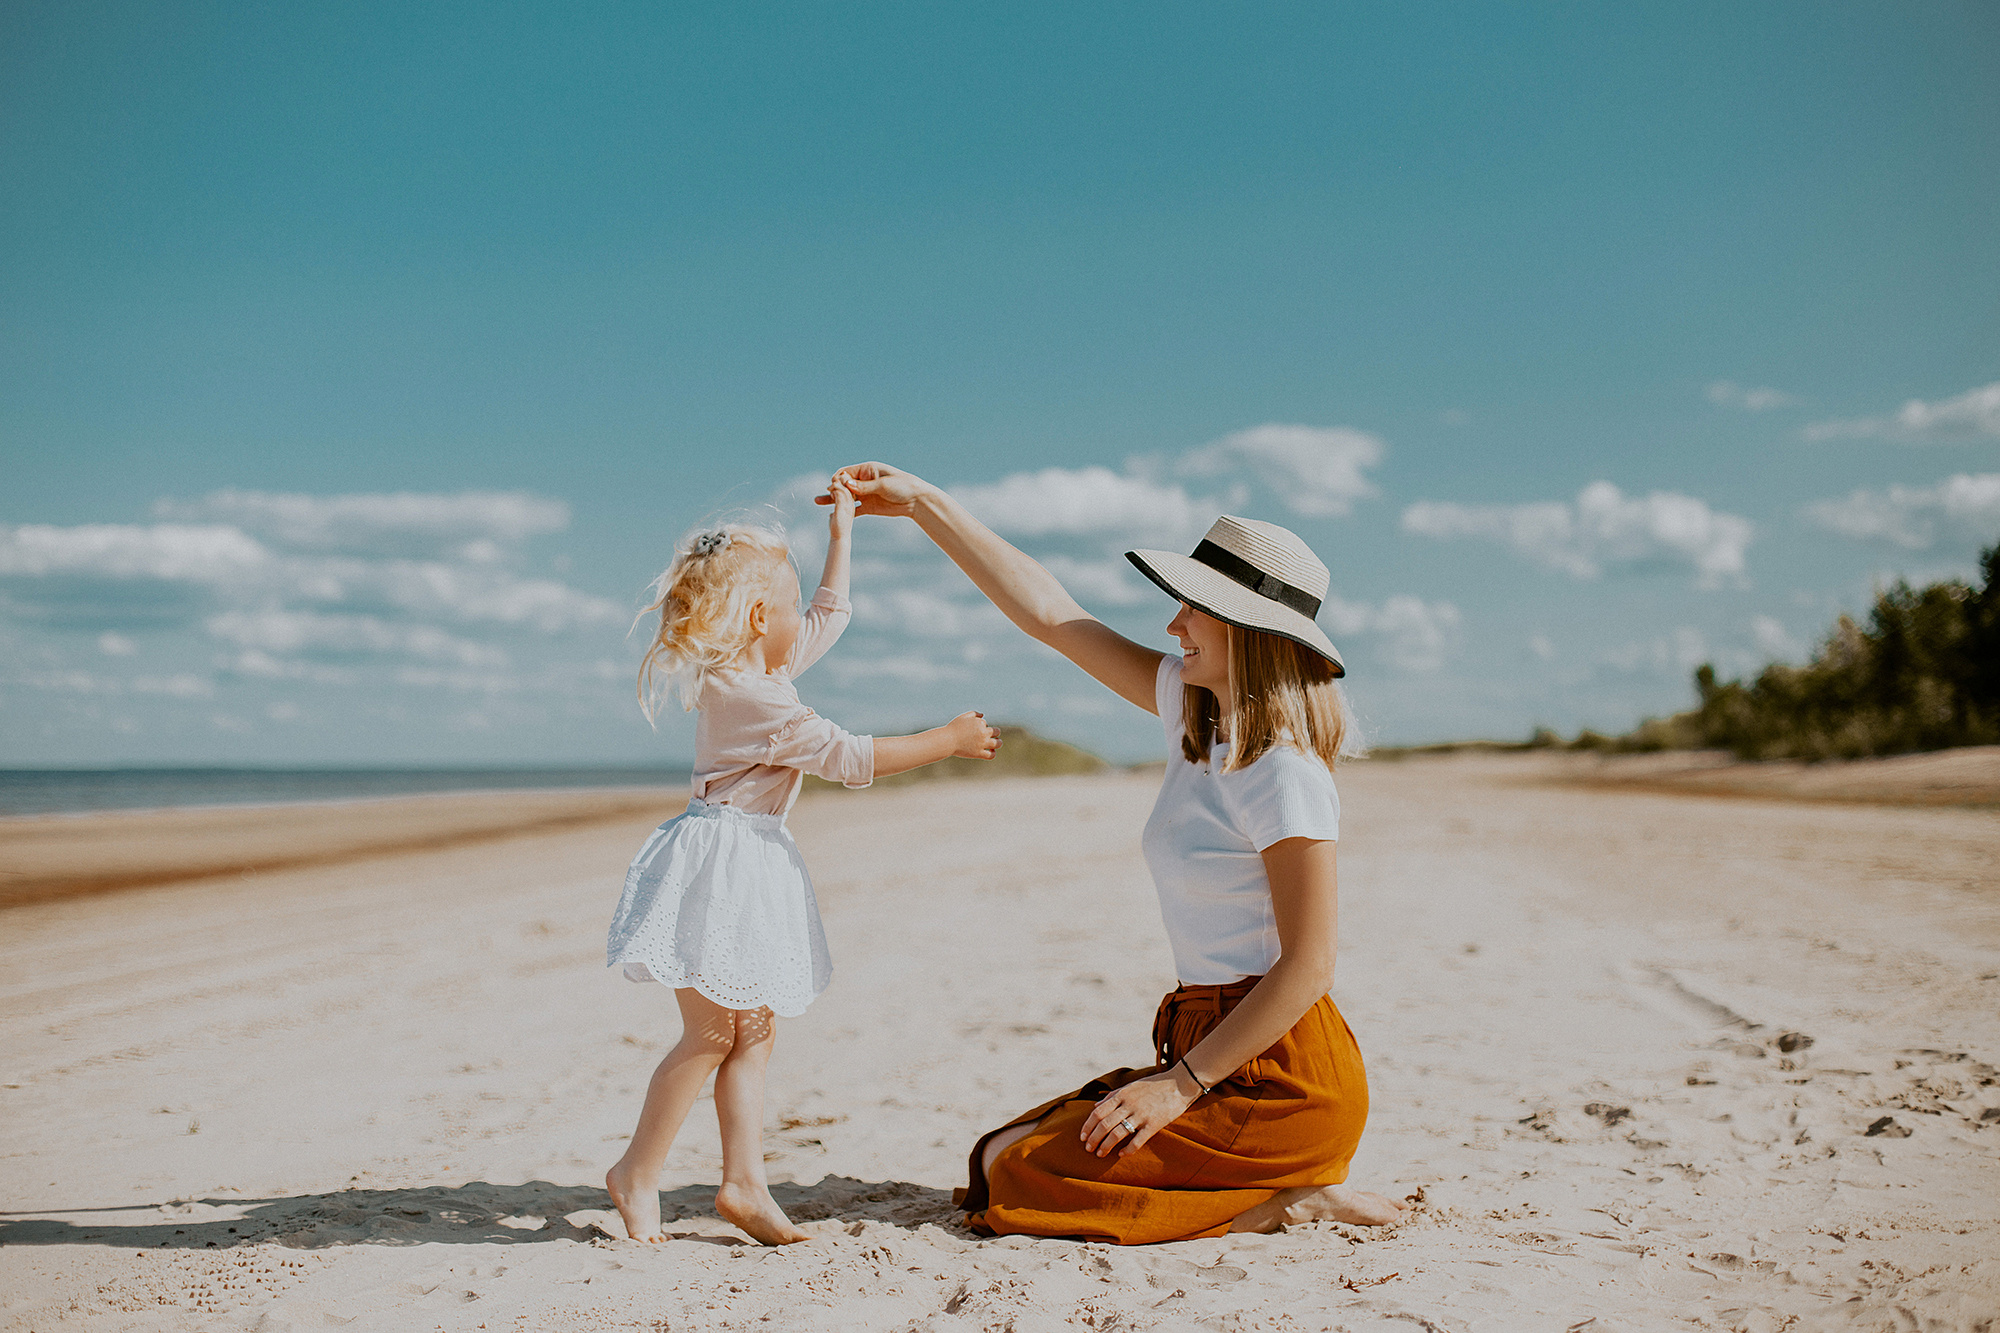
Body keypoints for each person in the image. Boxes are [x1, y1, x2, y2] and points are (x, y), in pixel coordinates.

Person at [822, 461, 1407, 1245]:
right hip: (1213, 1043)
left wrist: (1179, 1086)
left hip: (1280, 1076)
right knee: (996, 1156)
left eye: (1193, 609)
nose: (1174, 626)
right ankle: (1270, 1190)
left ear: (1248, 629)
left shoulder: (1284, 769)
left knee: (1015, 1180)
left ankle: (1283, 1199)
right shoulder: (1197, 716)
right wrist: (926, 503)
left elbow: (1309, 964)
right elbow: (1051, 614)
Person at [604, 481, 1001, 1246]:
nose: (804, 622)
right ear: (760, 620)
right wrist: (946, 739)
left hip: (742, 865)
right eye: (788, 608)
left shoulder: (764, 675)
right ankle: (637, 1171)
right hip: (715, 873)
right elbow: (849, 756)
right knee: (712, 1034)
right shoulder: (759, 700)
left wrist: (844, 532)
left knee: (753, 1030)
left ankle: (744, 1183)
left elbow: (830, 613)